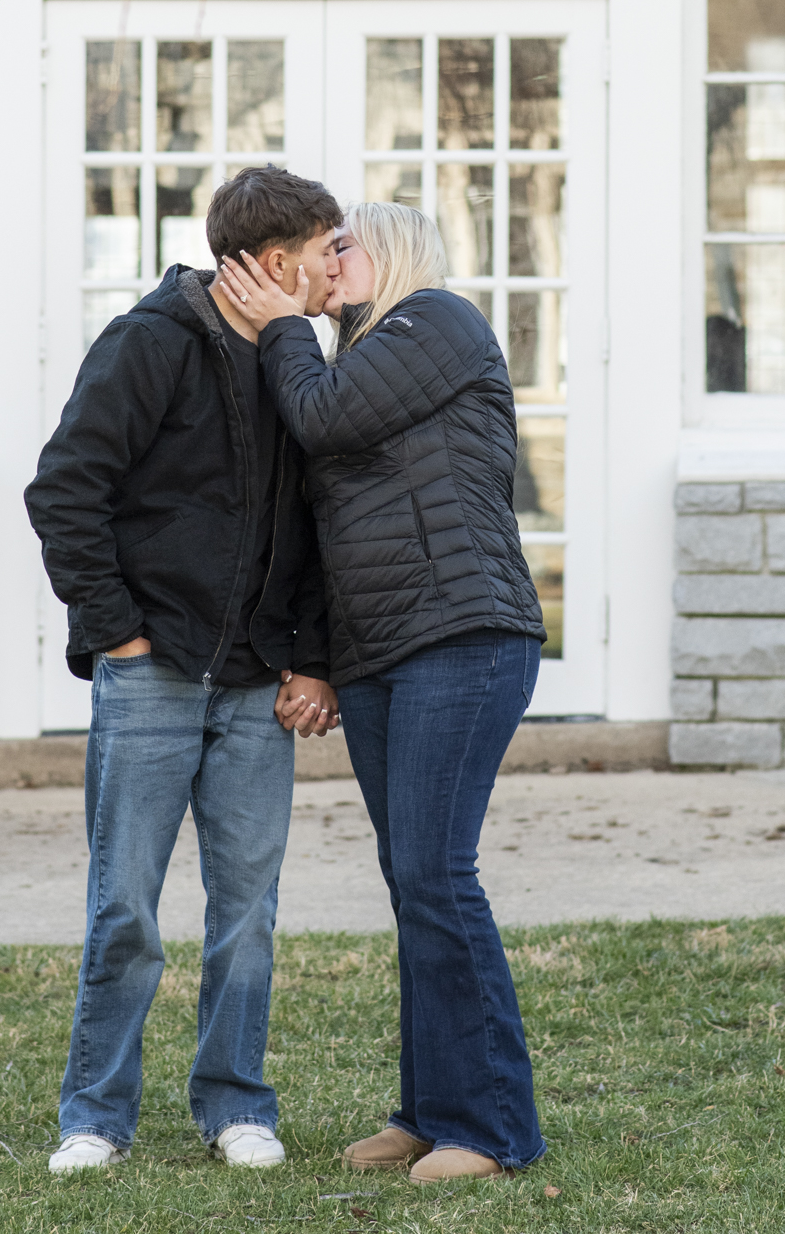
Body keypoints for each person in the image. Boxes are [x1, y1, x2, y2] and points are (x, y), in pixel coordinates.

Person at [218, 201, 548, 1183]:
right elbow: (321, 537)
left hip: (462, 633)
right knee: (413, 881)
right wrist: (313, 658)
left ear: (389, 251)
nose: (325, 265)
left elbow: (322, 414)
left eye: (339, 247)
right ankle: (429, 1110)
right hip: (376, 653)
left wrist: (279, 323)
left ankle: (490, 1129)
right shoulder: (346, 355)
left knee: (439, 875)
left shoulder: (436, 320)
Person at [25, 166, 343, 1176]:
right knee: (125, 907)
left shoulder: (303, 360)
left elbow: (320, 527)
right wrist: (118, 633)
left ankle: (235, 1104)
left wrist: (312, 658)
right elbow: (65, 492)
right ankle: (95, 1116)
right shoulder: (148, 342)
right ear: (278, 261)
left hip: (258, 684)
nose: (341, 266)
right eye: (329, 249)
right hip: (151, 675)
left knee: (246, 910)